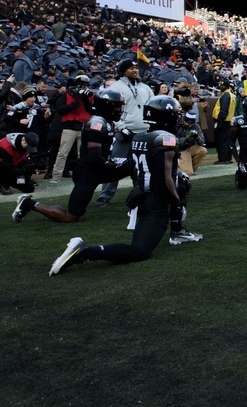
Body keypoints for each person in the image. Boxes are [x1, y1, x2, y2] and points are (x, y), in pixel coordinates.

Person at [48, 95, 203, 276]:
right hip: (156, 200)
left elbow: (136, 171)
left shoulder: (140, 136)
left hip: (143, 197)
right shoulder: (166, 139)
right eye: (176, 115)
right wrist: (175, 202)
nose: (179, 119)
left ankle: (178, 231)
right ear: (166, 117)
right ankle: (83, 252)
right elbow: (164, 178)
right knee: (139, 251)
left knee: (180, 182)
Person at [11, 90, 132, 224]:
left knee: (135, 165)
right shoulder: (97, 124)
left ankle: (140, 204)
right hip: (89, 172)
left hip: (98, 169)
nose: (119, 110)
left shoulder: (105, 121)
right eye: (116, 106)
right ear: (106, 106)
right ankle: (28, 203)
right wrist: (112, 164)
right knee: (70, 216)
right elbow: (95, 158)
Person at [95, 59, 154, 207]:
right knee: (116, 163)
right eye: (131, 68)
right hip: (125, 130)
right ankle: (105, 195)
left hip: (144, 130)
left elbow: (151, 107)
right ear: (122, 71)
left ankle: (144, 191)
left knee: (145, 164)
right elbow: (111, 110)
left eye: (136, 67)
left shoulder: (145, 88)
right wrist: (121, 127)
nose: (135, 70)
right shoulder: (116, 87)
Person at [47, 74, 93, 183]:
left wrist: (85, 100)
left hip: (83, 127)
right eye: (82, 86)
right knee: (62, 152)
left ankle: (83, 174)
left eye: (85, 86)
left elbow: (92, 110)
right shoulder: (66, 95)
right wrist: (71, 106)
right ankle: (56, 175)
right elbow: (59, 109)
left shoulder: (89, 95)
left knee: (82, 154)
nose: (84, 88)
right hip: (70, 127)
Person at [212, 79, 238, 164]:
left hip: (224, 121)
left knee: (221, 141)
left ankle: (223, 159)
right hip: (229, 120)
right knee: (227, 141)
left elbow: (224, 110)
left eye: (223, 85)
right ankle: (227, 158)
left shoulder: (226, 95)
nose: (221, 86)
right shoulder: (232, 95)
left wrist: (219, 121)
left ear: (227, 86)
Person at [177, 111, 208, 176]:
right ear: (185, 121)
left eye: (192, 124)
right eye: (188, 124)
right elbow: (173, 140)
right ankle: (176, 169)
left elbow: (203, 141)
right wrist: (185, 139)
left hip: (190, 147)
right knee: (189, 173)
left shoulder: (196, 126)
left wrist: (197, 138)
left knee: (203, 150)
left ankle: (190, 168)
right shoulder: (177, 125)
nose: (190, 126)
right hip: (180, 149)